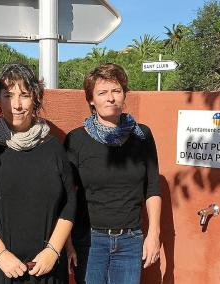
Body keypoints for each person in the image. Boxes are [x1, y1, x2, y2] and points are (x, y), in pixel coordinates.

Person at [0, 62, 76, 284]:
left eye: (24, 95)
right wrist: (1, 255)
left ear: (35, 99)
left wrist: (52, 252)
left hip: (46, 270)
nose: (16, 105)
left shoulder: (53, 147)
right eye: (8, 95)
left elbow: (69, 202)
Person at [64, 63, 162, 284]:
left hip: (131, 240)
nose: (110, 98)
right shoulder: (76, 140)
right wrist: (68, 242)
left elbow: (153, 187)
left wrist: (153, 235)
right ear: (91, 99)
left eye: (116, 91)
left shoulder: (142, 135)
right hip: (90, 240)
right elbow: (67, 194)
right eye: (102, 92)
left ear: (124, 94)